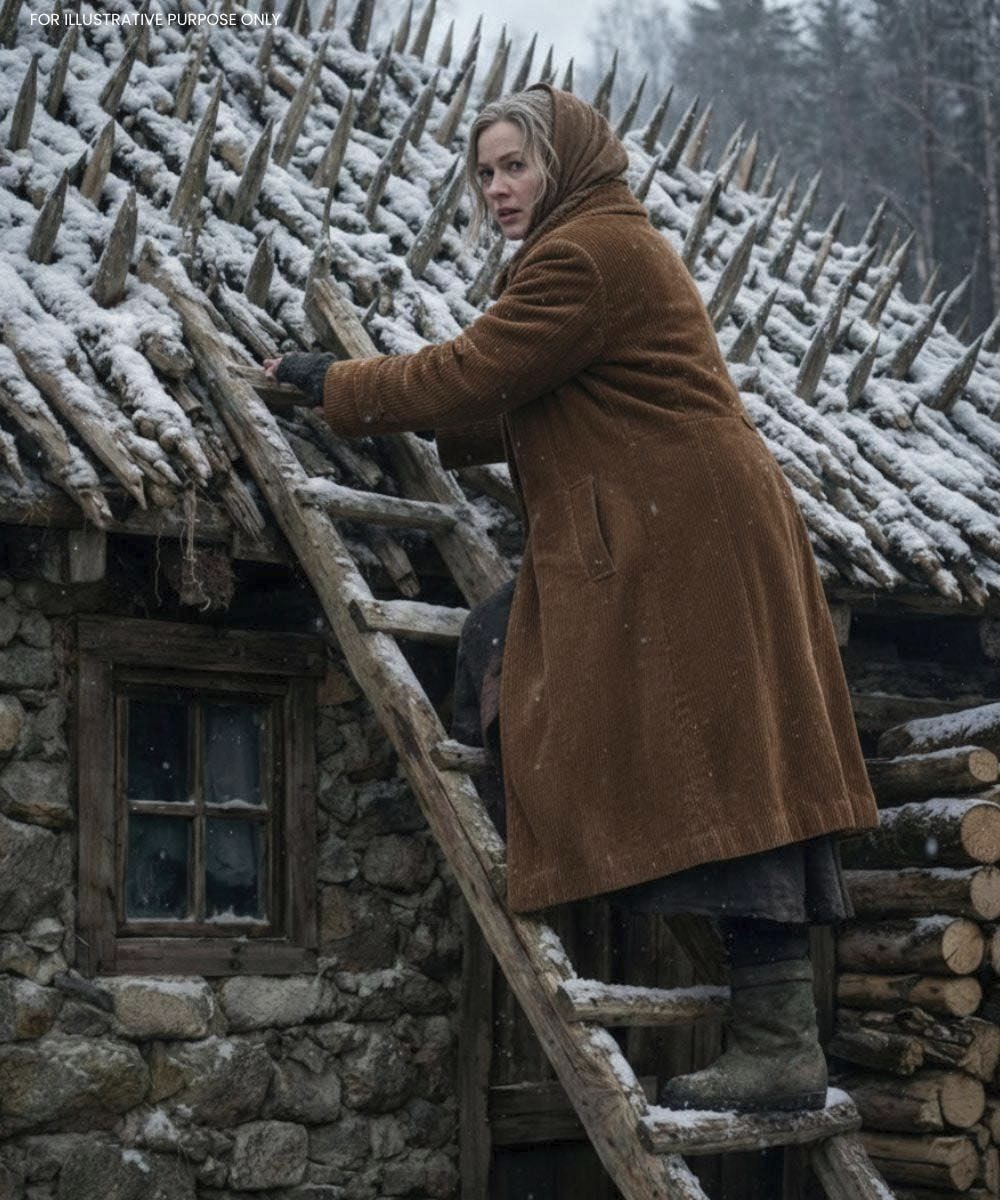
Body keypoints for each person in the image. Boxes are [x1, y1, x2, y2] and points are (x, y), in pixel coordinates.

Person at [263, 83, 880, 1114]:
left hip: (683, 528)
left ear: (568, 160)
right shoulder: (597, 246)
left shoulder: (584, 252)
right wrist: (403, 400)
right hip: (676, 516)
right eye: (486, 172)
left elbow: (472, 373)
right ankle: (662, 914)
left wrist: (336, 383)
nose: (499, 188)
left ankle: (774, 1039)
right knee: (665, 727)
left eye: (516, 165)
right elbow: (526, 394)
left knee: (716, 757)